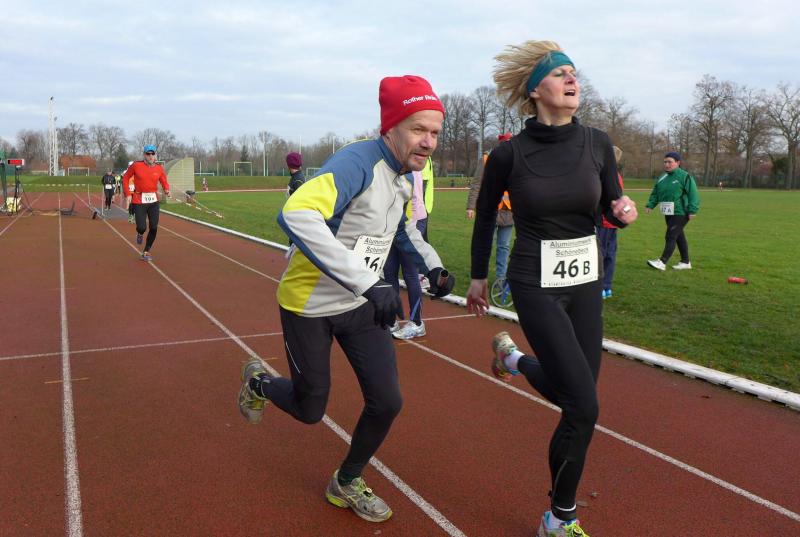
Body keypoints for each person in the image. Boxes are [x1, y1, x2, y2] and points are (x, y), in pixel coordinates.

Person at [237, 75, 455, 524]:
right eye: (418, 129)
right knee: (309, 409)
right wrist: (369, 282)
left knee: (387, 401)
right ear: (390, 127)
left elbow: (400, 230)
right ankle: (260, 383)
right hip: (310, 305)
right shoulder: (357, 162)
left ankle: (347, 479)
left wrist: (433, 266)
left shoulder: (405, 175)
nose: (428, 142)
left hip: (359, 306)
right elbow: (296, 212)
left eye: (435, 132)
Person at [466, 40, 638, 537]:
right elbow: (485, 219)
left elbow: (611, 203)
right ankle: (559, 518)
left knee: (576, 398)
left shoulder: (598, 143)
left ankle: (514, 361)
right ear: (535, 90)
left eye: (574, 73)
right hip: (534, 282)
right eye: (560, 73)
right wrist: (478, 276)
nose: (571, 79)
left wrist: (621, 212)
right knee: (584, 405)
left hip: (584, 282)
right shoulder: (507, 154)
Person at [383, 169, 427, 339]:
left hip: (411, 225)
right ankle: (391, 320)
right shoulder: (391, 167)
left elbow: (415, 201)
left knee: (410, 273)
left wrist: (412, 229)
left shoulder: (412, 169)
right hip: (393, 225)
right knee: (389, 271)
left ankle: (417, 323)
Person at [467, 132, 515, 282]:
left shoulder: (517, 159)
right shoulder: (487, 159)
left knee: (504, 246)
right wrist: (471, 206)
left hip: (509, 212)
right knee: (484, 246)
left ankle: (501, 278)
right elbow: (477, 183)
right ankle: (482, 277)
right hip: (490, 210)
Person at [645, 151, 700, 271]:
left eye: (670, 162)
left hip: (681, 212)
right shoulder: (662, 177)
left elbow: (693, 193)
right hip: (668, 212)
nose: (666, 164)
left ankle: (662, 262)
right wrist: (650, 205)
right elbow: (656, 193)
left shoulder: (684, 176)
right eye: (665, 162)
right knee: (678, 236)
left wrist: (692, 210)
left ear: (678, 163)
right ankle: (685, 262)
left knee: (670, 235)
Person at [122, 145, 170, 261]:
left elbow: (164, 180)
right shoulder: (136, 165)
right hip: (139, 200)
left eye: (152, 154)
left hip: (153, 201)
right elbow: (126, 178)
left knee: (154, 227)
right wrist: (128, 194)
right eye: (148, 154)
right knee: (142, 227)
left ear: (155, 155)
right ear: (144, 155)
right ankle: (140, 233)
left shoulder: (159, 168)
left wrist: (167, 189)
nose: (150, 156)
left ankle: (146, 251)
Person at [597, 146, 625, 298]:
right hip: (613, 222)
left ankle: (601, 286)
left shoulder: (606, 175)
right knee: (610, 253)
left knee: (601, 254)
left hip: (604, 221)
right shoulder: (616, 175)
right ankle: (607, 286)